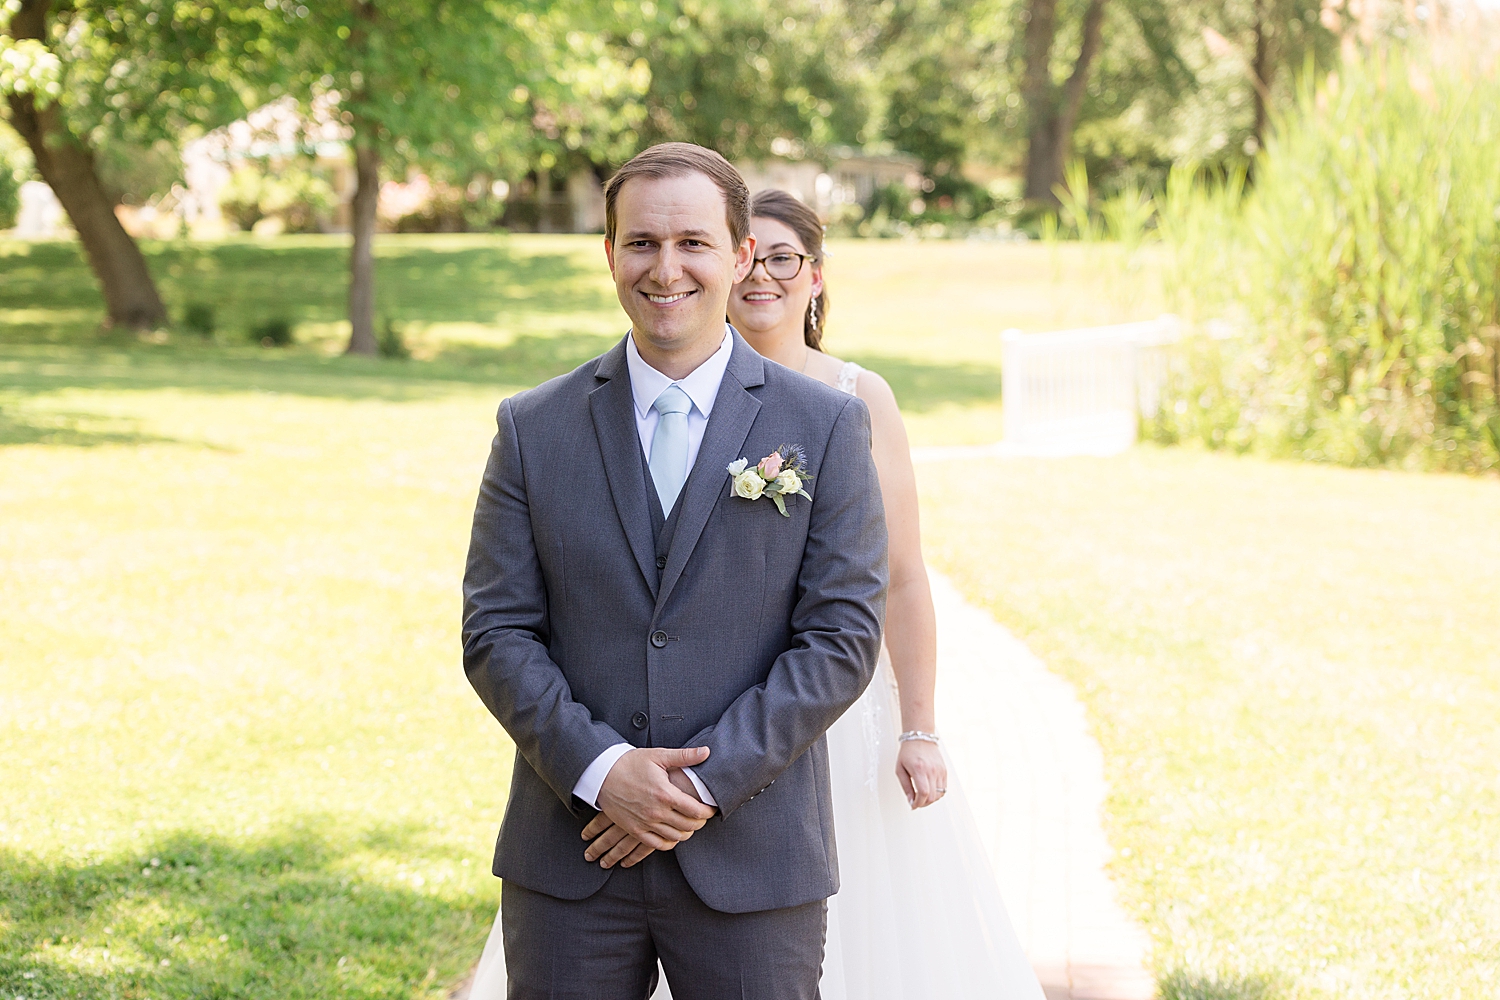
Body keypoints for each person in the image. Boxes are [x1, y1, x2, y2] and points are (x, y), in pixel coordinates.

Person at [461, 145, 888, 1000]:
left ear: (738, 256)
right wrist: (601, 772)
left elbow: (841, 638)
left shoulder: (829, 424)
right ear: (609, 254)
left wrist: (695, 785)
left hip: (755, 861)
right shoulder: (532, 426)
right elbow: (497, 632)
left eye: (693, 243)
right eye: (641, 243)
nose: (666, 269)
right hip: (571, 856)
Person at [724, 188, 1046, 999]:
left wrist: (920, 729)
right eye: (747, 257)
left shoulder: (860, 397)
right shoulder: (687, 390)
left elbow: (902, 574)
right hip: (714, 709)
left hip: (838, 714)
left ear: (817, 276)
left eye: (784, 258)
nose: (763, 274)